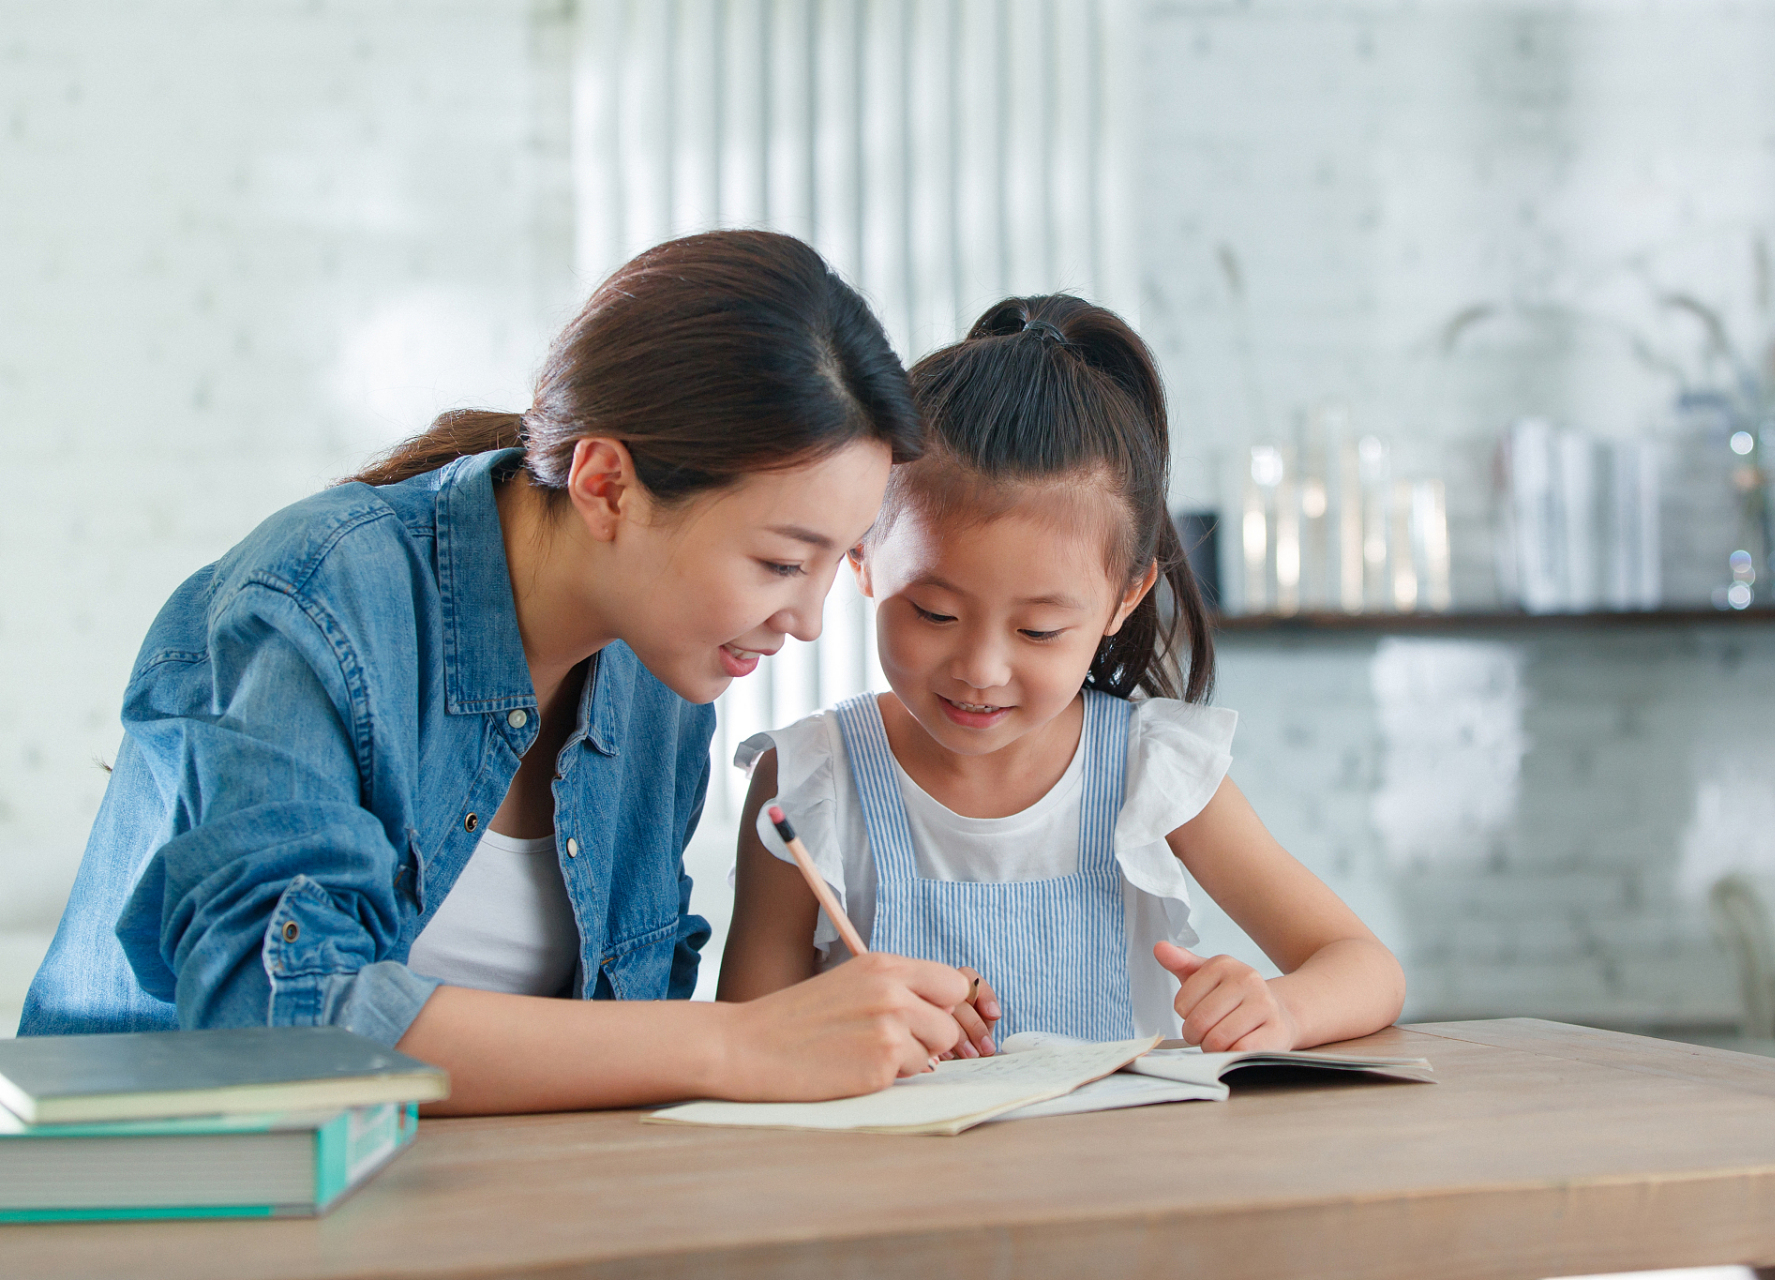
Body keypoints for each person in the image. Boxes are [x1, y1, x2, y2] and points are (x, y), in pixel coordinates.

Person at [21, 230, 977, 1112]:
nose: (807, 621)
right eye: (778, 563)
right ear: (606, 485)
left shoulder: (661, 671)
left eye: (832, 562)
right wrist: (738, 1045)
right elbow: (278, 1023)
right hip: (176, 1205)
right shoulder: (315, 602)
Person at [719, 295, 1406, 1056]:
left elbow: (1365, 967)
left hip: (1114, 1176)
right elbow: (747, 1047)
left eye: (1039, 630)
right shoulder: (809, 781)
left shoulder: (1154, 771)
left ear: (1125, 598)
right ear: (861, 557)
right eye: (935, 615)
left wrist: (1282, 1010)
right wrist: (834, 1031)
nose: (980, 669)